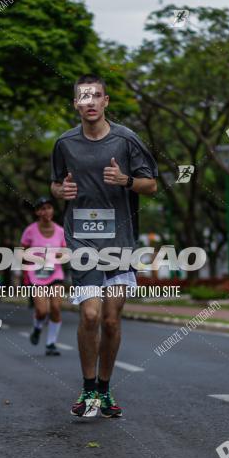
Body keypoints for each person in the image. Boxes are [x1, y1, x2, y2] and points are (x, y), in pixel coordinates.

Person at [50, 74, 158, 418]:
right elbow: (55, 185)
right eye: (84, 97)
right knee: (92, 314)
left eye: (96, 96)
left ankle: (106, 390)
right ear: (76, 105)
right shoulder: (64, 143)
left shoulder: (127, 140)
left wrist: (125, 180)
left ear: (106, 101)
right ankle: (87, 388)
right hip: (82, 238)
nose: (91, 102)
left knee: (111, 321)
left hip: (120, 239)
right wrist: (60, 192)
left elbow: (152, 185)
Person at [22, 196, 67, 356]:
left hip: (55, 273)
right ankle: (37, 328)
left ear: (53, 210)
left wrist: (58, 257)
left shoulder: (61, 231)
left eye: (49, 207)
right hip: (36, 274)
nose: (46, 211)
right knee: (42, 311)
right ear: (37, 212)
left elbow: (64, 253)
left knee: (55, 308)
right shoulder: (30, 231)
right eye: (42, 208)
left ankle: (51, 344)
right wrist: (25, 274)